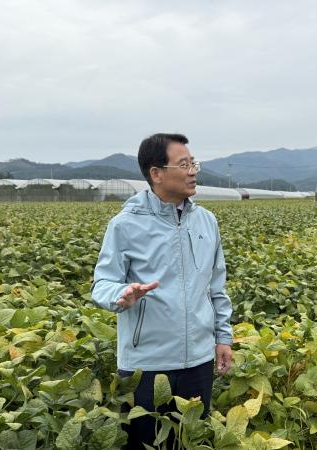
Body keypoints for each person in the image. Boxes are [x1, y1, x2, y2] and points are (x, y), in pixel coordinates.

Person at [91, 133, 233, 449]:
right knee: (144, 442)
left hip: (198, 362)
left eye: (193, 163)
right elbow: (101, 284)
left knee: (190, 440)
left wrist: (223, 337)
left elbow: (216, 287)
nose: (193, 170)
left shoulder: (207, 222)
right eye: (184, 164)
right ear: (156, 173)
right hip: (146, 364)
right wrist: (122, 294)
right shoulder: (125, 225)